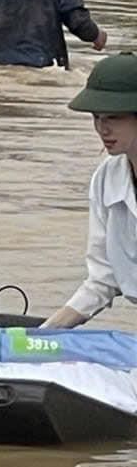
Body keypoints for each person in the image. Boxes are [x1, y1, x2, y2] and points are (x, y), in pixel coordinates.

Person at [42, 55, 137, 329]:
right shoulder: (108, 178)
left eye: (114, 118)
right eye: (97, 117)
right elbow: (102, 280)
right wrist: (42, 335)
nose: (102, 129)